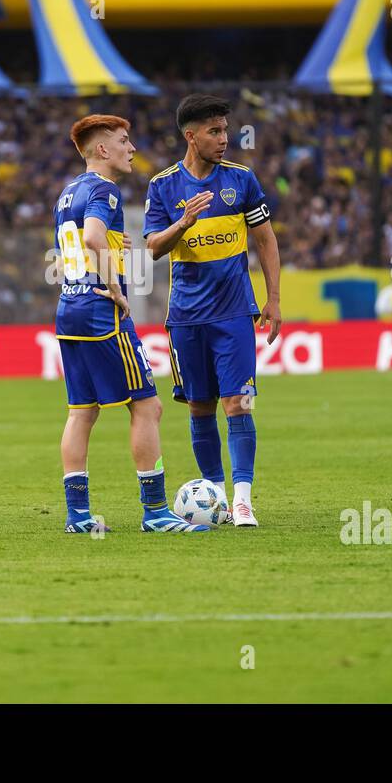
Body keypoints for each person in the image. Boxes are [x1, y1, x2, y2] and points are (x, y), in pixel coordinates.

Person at [54, 113, 207, 535]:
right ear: (102, 149)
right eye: (123, 141)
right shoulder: (105, 190)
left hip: (69, 308)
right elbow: (93, 238)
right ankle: (156, 512)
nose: (131, 148)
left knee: (82, 412)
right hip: (101, 311)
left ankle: (78, 516)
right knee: (146, 405)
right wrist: (117, 290)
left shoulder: (67, 193)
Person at [143, 94, 283, 528]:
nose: (225, 139)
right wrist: (182, 223)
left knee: (238, 403)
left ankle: (242, 499)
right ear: (191, 136)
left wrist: (273, 298)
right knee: (200, 408)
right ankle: (214, 495)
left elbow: (266, 241)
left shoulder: (241, 180)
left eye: (226, 130)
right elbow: (152, 248)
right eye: (214, 131)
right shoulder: (162, 186)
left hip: (234, 313)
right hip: (185, 318)